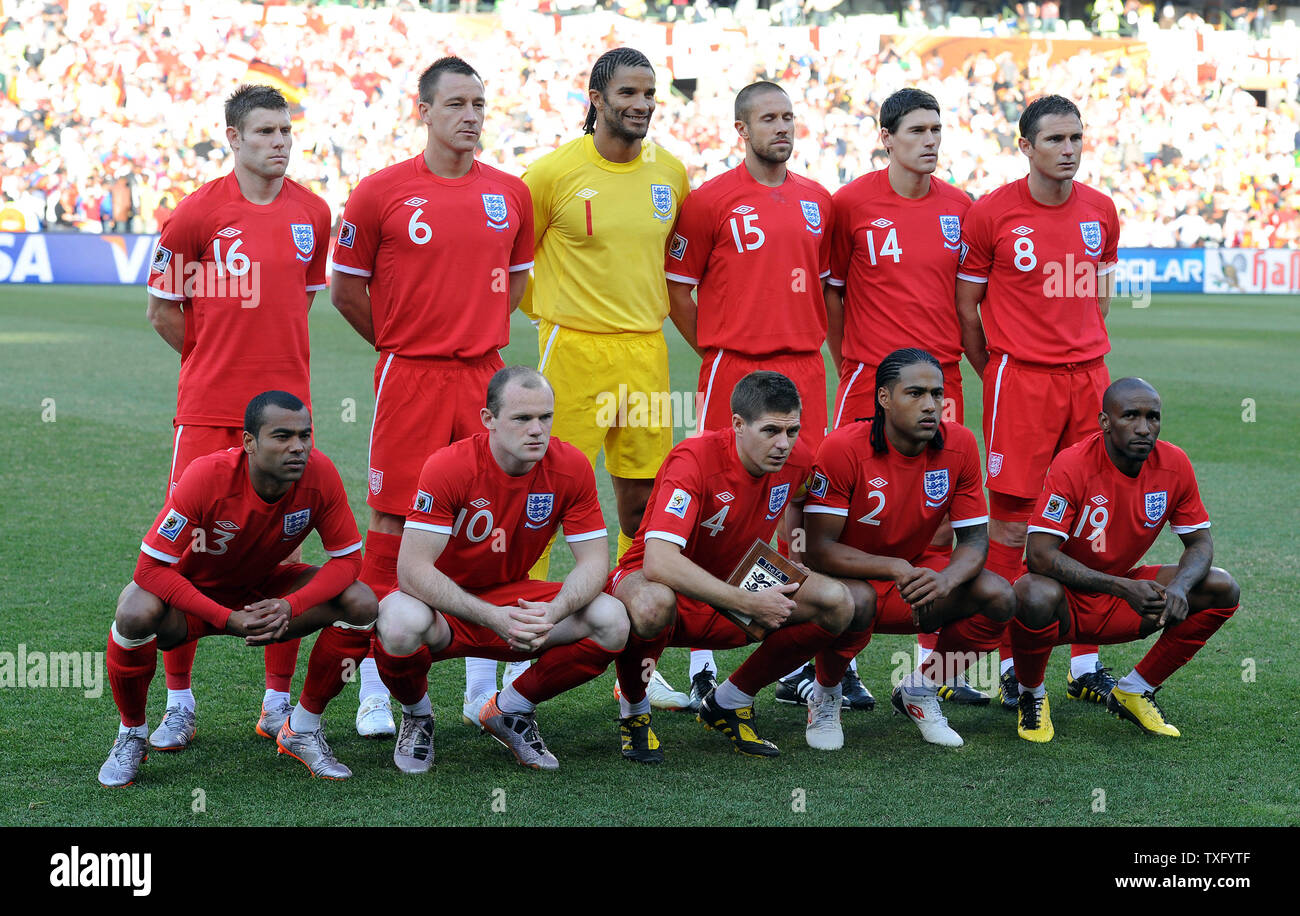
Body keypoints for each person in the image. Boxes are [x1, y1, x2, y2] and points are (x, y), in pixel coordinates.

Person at [331, 57, 534, 738]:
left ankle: (486, 682)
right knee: (391, 525)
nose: (471, 115)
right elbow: (346, 290)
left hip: (485, 375)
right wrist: (398, 344)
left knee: (495, 517)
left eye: (479, 103)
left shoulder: (510, 194)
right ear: (424, 111)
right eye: (456, 104)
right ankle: (375, 687)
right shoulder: (380, 191)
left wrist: (471, 336)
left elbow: (517, 281)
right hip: (410, 375)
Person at [144, 84, 331, 754]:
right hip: (207, 412)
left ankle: (276, 706)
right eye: (264, 133)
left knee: (288, 552)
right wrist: (215, 364)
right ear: (233, 138)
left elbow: (301, 300)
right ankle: (179, 705)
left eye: (285, 132)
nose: (279, 143)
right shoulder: (195, 216)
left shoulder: (314, 213)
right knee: (185, 556)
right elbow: (165, 310)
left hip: (285, 418)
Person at [663, 80, 842, 712]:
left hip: (804, 369)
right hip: (734, 366)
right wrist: (714, 350)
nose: (783, 127)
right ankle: (701, 659)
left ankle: (796, 653)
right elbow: (678, 290)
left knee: (797, 502)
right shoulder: (711, 201)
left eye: (789, 117)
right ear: (741, 129)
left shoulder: (819, 201)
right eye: (769, 118)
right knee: (719, 499)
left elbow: (827, 289)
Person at [522, 46, 691, 710]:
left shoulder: (671, 174)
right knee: (540, 494)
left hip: (645, 354)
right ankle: (521, 638)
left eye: (650, 93)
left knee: (643, 504)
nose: (641, 104)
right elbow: (512, 263)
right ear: (594, 96)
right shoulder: (553, 174)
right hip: (572, 351)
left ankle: (640, 661)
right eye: (628, 92)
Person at [98, 392, 378, 786]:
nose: (297, 447)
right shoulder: (206, 476)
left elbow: (348, 561)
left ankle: (303, 728)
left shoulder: (320, 474)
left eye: (305, 435)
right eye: (282, 436)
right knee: (133, 609)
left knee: (361, 602)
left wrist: (290, 605)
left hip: (264, 595)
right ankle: (131, 734)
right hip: (195, 599)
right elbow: (149, 568)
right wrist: (225, 618)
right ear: (249, 442)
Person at [814, 87, 984, 708]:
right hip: (870, 377)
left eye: (937, 128)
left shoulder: (963, 207)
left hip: (942, 377)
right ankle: (828, 659)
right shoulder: (850, 203)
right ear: (886, 137)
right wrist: (850, 362)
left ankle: (937, 668)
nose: (930, 140)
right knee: (846, 517)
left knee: (940, 522)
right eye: (916, 130)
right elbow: (832, 294)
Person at [373, 367, 627, 772]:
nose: (537, 430)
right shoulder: (449, 466)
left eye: (545, 417)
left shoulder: (570, 466)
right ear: (488, 420)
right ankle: (418, 715)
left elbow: (596, 563)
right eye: (522, 419)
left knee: (611, 619)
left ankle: (511, 709)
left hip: (514, 598)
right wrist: (492, 617)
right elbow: (412, 571)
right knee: (398, 621)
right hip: (445, 608)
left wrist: (554, 612)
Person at [956, 94, 1122, 710]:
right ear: (1025, 147)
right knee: (1011, 522)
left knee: (1091, 515)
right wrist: (997, 368)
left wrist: (1083, 353)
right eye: (1055, 139)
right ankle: (1005, 664)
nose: (1069, 150)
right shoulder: (992, 213)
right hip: (1019, 381)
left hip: (1089, 380)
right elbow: (966, 310)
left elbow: (1100, 297)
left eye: (1076, 137)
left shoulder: (1102, 211)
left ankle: (1085, 661)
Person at [610, 372, 854, 762]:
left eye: (792, 431)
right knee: (652, 604)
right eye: (771, 430)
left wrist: (795, 554)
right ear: (738, 425)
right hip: (654, 575)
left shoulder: (798, 458)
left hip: (737, 572)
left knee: (837, 601)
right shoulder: (695, 458)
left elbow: (800, 497)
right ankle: (635, 711)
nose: (783, 444)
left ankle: (729, 701)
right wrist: (747, 601)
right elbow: (659, 561)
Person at [803, 349, 1015, 747]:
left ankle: (920, 688)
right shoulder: (842, 447)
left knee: (999, 596)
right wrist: (895, 567)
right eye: (915, 394)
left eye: (937, 394)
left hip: (917, 581)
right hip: (848, 583)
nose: (930, 405)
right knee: (858, 600)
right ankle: (826, 693)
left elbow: (973, 539)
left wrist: (947, 579)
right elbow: (818, 550)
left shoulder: (961, 445)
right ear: (884, 398)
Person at [1009, 378, 1239, 741]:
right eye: (1131, 416)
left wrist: (1178, 586)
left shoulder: (1174, 463)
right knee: (1032, 593)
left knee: (1221, 587)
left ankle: (1134, 689)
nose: (1144, 428)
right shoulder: (1073, 464)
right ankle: (1031, 694)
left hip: (1121, 598)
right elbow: (1038, 556)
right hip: (1062, 604)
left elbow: (1200, 543)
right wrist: (1122, 586)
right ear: (1104, 422)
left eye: (1153, 417)